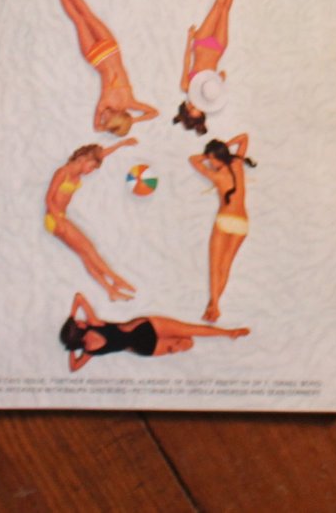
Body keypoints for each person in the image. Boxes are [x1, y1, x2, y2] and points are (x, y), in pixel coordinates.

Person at [47, 0, 158, 136]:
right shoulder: (129, 103)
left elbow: (97, 127)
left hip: (99, 55)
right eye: (108, 119)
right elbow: (154, 113)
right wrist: (131, 121)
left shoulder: (109, 104)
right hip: (107, 50)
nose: (103, 117)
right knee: (86, 16)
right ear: (119, 116)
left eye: (104, 120)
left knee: (80, 20)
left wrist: (117, 124)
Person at [58, 289, 248, 372]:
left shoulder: (89, 352)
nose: (80, 320)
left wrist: (72, 346)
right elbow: (79, 297)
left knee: (189, 342)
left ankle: (180, 346)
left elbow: (73, 367)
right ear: (79, 326)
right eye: (77, 322)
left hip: (144, 348)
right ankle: (229, 333)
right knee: (191, 330)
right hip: (142, 327)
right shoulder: (94, 323)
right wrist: (71, 316)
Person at [44, 141, 138, 301]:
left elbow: (100, 154)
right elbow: (48, 199)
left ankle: (111, 290)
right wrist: (59, 221)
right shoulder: (63, 172)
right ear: (84, 158)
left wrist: (122, 144)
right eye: (92, 167)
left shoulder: (78, 173)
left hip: (60, 218)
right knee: (89, 249)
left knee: (86, 255)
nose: (91, 171)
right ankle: (116, 279)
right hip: (54, 218)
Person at [188, 134, 255, 323]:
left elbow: (192, 159)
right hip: (242, 223)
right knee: (225, 266)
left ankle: (215, 306)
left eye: (211, 159)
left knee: (215, 268)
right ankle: (213, 307)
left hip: (225, 220)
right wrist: (223, 148)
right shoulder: (237, 164)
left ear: (215, 157)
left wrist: (208, 154)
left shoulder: (215, 175)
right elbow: (244, 137)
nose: (210, 163)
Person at [174, 0, 240, 135]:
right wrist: (221, 78)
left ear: (187, 110)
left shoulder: (186, 86)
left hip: (201, 43)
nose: (198, 107)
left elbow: (187, 61)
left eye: (193, 110)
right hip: (218, 48)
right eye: (200, 112)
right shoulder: (212, 94)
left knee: (218, 5)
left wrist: (189, 38)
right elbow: (221, 76)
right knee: (225, 10)